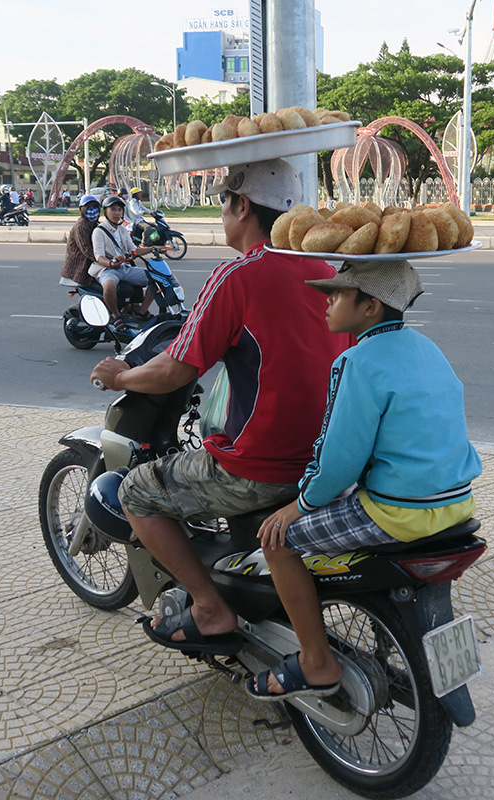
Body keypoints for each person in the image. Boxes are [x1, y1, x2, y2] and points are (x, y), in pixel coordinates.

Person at [89, 159, 352, 655]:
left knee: (138, 492)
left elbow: (176, 370)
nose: (223, 216)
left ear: (243, 206)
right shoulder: (326, 269)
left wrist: (120, 375)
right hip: (326, 457)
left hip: (262, 465)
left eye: (224, 206)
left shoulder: (238, 274)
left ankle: (209, 607)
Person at [244, 259, 482, 699]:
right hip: (457, 504)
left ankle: (314, 660)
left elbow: (338, 464)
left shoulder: (356, 360)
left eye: (337, 294)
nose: (327, 303)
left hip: (399, 513)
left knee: (277, 540)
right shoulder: (427, 348)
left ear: (370, 306)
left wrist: (298, 505)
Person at [92, 194, 160, 330]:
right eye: (113, 209)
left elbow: (134, 251)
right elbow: (99, 257)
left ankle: (141, 312)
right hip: (107, 269)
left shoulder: (122, 230)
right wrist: (111, 263)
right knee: (109, 285)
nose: (117, 213)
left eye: (119, 210)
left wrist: (154, 248)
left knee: (157, 278)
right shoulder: (98, 231)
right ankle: (116, 315)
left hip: (124, 268)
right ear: (105, 211)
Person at [61, 194, 101, 286]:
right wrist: (102, 260)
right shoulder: (81, 226)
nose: (93, 210)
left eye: (95, 207)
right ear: (82, 210)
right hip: (80, 268)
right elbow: (86, 249)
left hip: (92, 264)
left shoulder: (94, 224)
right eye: (89, 208)